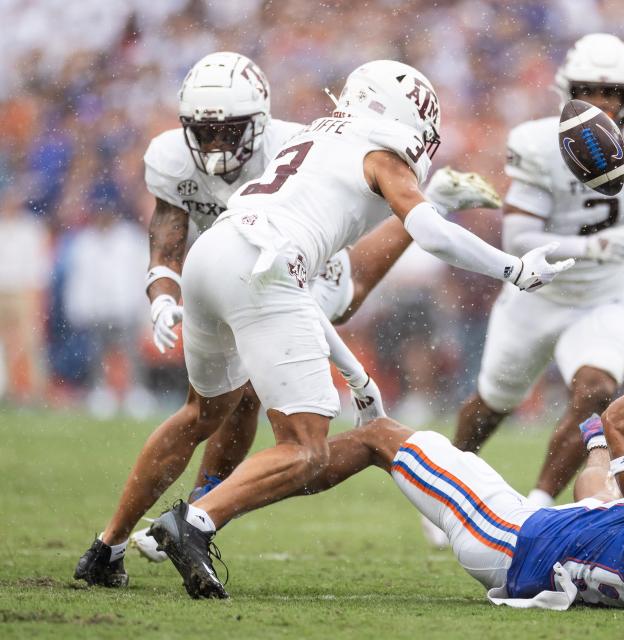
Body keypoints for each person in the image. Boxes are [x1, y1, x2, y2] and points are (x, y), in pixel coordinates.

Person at [139, 59, 572, 599]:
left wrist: (359, 380)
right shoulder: (377, 154)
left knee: (209, 410)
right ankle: (194, 521)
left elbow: (305, 296)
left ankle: (134, 535)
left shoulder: (319, 135)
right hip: (267, 266)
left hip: (215, 257)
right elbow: (430, 236)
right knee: (305, 447)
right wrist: (515, 268)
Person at [301, 302, 624, 610]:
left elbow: (623, 418)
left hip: (505, 537)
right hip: (551, 553)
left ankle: (244, 490)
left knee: (383, 437)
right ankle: (598, 448)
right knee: (605, 497)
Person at [451, 34, 624, 515]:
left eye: (614, 93)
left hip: (602, 299)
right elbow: (518, 238)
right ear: (567, 91)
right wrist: (590, 246)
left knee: (598, 392)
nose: (602, 103)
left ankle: (534, 506)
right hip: (535, 295)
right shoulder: (540, 143)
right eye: (590, 91)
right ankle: (447, 481)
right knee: (495, 401)